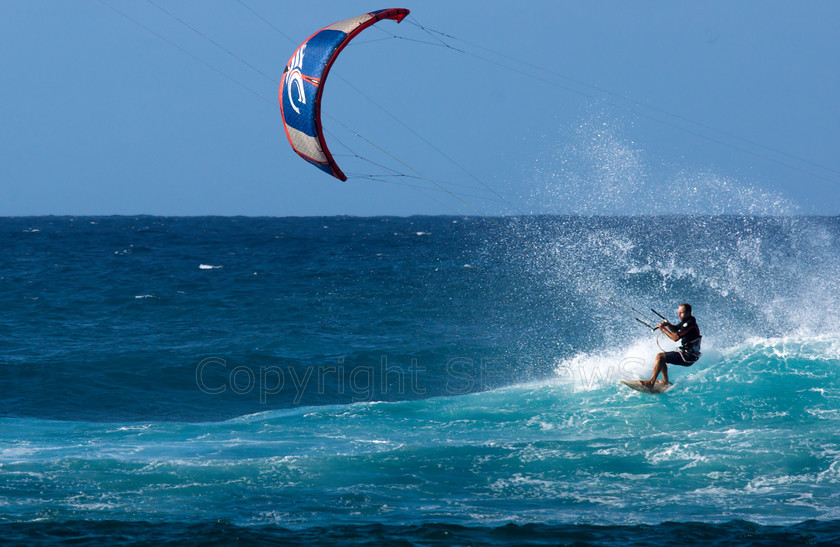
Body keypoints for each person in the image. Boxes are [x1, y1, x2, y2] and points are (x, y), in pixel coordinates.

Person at [641, 303, 701, 387]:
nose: (679, 315)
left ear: (688, 313)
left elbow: (675, 338)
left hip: (688, 357)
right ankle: (665, 382)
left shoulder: (690, 324)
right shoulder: (687, 321)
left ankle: (651, 382)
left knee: (660, 356)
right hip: (688, 354)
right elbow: (676, 329)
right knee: (662, 358)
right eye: (678, 313)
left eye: (681, 313)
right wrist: (668, 325)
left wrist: (663, 329)